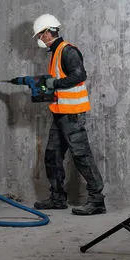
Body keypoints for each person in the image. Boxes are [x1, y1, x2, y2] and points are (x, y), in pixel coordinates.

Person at [30, 13, 106, 216]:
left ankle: (97, 200)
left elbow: (80, 75)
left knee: (81, 155)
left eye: (40, 35)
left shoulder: (67, 51)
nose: (39, 39)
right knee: (52, 155)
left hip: (72, 114)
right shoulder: (55, 52)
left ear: (47, 33)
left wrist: (56, 83)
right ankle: (57, 198)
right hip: (60, 113)